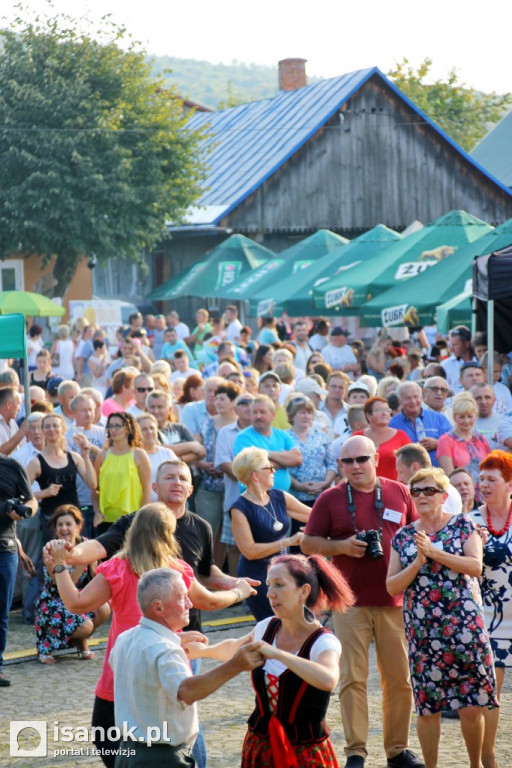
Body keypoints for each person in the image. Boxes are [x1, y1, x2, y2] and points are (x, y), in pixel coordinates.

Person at [302, 435, 424, 768]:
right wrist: (341, 547)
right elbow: (308, 542)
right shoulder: (330, 498)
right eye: (348, 461)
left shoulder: (399, 491)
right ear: (341, 465)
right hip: (348, 601)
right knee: (352, 678)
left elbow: (417, 533)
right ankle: (356, 751)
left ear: (375, 459)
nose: (355, 466)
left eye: (361, 459)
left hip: (395, 599)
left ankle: (397, 750)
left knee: (399, 679)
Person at [190, 554, 355, 768]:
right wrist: (202, 651)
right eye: (268, 585)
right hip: (260, 746)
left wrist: (278, 654)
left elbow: (328, 679)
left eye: (279, 585)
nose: (270, 594)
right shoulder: (266, 627)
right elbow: (234, 648)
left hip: (304, 754)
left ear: (303, 591)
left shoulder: (323, 642)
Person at [387, 467, 498, 768]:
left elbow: (475, 566)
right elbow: (392, 586)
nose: (422, 496)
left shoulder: (464, 525)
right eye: (416, 491)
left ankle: (475, 765)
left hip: (465, 630)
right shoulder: (403, 536)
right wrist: (418, 562)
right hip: (423, 634)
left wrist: (434, 553)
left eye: (429, 490)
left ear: (444, 495)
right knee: (427, 708)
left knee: (471, 706)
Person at [109, 567, 264, 768]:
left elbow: (141, 664)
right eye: (182, 598)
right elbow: (187, 691)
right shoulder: (165, 650)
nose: (190, 603)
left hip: (127, 754)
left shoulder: (125, 638)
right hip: (162, 758)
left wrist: (173, 639)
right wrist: (234, 666)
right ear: (159, 608)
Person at [231, 447, 310, 620]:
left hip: (282, 572)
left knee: (293, 623)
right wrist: (287, 542)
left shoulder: (279, 496)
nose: (274, 471)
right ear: (255, 475)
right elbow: (249, 551)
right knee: (273, 625)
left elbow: (312, 516)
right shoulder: (239, 508)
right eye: (269, 467)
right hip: (258, 577)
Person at [470, 451, 512, 768]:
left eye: (491, 479)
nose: (483, 484)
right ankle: (487, 756)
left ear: (509, 483)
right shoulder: (470, 522)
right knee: (489, 692)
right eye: (481, 478)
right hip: (489, 618)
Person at [34, 504, 109, 663]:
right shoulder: (51, 549)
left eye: (68, 524)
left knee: (104, 608)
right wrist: (82, 563)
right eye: (60, 525)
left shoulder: (87, 543)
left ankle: (79, 640)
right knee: (86, 625)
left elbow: (95, 576)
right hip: (54, 602)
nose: (64, 528)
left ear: (78, 526)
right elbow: (64, 586)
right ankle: (48, 646)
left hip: (78, 596)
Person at [27, 413, 97, 543]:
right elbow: (21, 493)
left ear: (63, 429)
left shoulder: (74, 457)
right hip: (51, 519)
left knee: (81, 557)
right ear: (43, 431)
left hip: (74, 518)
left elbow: (92, 484)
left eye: (55, 425)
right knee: (56, 558)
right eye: (47, 426)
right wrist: (44, 493)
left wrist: (86, 456)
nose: (51, 429)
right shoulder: (36, 462)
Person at [0, 454, 38, 686]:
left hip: (6, 548)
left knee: (1, 613)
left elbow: (31, 500)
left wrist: (25, 511)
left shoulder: (11, 466)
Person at [93, 411, 151, 533]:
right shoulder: (102, 455)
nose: (113, 429)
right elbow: (95, 489)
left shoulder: (139, 454)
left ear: (128, 428)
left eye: (118, 426)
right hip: (106, 520)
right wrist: (97, 511)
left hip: (131, 519)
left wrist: (140, 518)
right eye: (110, 426)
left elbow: (146, 490)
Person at [233, 394, 302, 493]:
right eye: (254, 412)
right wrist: (284, 461)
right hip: (255, 499)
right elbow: (253, 470)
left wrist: (266, 453)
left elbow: (297, 458)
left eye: (262, 412)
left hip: (282, 499)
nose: (258, 416)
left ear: (272, 415)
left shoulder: (282, 435)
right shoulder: (243, 437)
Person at [436, 393, 490, 502]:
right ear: (454, 417)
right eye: (461, 417)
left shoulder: (480, 439)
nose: (466, 421)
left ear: (475, 416)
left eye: (470, 416)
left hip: (484, 495)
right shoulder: (446, 440)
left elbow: (490, 467)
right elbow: (449, 475)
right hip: (461, 496)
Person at [287, 395, 337, 505]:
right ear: (292, 416)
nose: (306, 416)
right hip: (295, 497)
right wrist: (298, 485)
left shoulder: (321, 435)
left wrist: (326, 483)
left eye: (309, 413)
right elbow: (280, 468)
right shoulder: (284, 437)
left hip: (322, 495)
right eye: (302, 413)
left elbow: (332, 463)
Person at [390, 382, 451, 466]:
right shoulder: (392, 424)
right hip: (408, 474)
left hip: (439, 473)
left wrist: (438, 443)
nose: (413, 401)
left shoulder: (439, 418)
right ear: (399, 401)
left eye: (416, 397)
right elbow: (391, 452)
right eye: (408, 398)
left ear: (422, 397)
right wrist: (411, 449)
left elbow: (454, 443)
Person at [353, 396, 411, 480]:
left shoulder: (401, 436)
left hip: (395, 488)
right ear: (368, 415)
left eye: (387, 410)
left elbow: (412, 463)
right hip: (364, 489)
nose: (384, 413)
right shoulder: (357, 438)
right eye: (379, 410)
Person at [137, 413, 177, 500]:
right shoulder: (134, 455)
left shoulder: (168, 453)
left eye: (152, 428)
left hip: (168, 507)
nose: (149, 432)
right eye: (144, 429)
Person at [441, 326, 477, 395]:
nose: (451, 349)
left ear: (467, 344)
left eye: (455, 345)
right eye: (450, 345)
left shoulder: (480, 361)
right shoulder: (445, 365)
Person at [470, 383, 501, 450]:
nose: (483, 402)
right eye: (478, 398)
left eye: (487, 397)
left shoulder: (504, 422)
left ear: (494, 400)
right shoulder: (464, 424)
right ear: (471, 401)